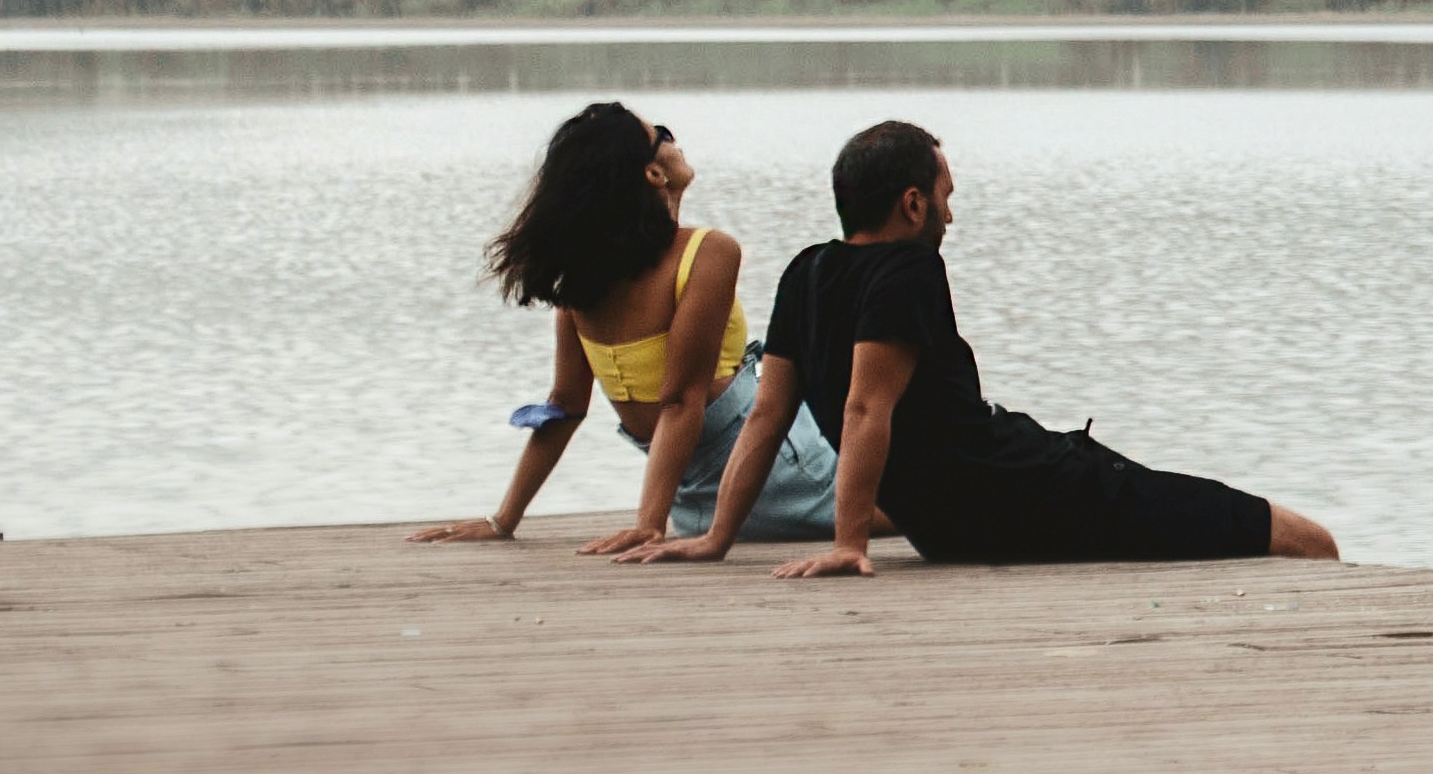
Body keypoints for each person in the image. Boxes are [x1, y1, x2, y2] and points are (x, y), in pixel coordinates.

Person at [634, 117, 1340, 579]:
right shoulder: (909, 268)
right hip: (1021, 490)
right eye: (944, 196)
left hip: (949, 529)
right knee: (1298, 537)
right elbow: (864, 409)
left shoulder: (805, 270)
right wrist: (849, 544)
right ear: (912, 203)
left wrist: (718, 537)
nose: (950, 212)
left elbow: (768, 416)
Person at [411, 101, 847, 555]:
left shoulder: (582, 279)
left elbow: (564, 405)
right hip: (784, 476)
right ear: (653, 174)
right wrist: (648, 526)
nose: (674, 140)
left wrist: (503, 519)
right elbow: (681, 399)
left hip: (698, 508)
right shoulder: (708, 251)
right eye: (662, 133)